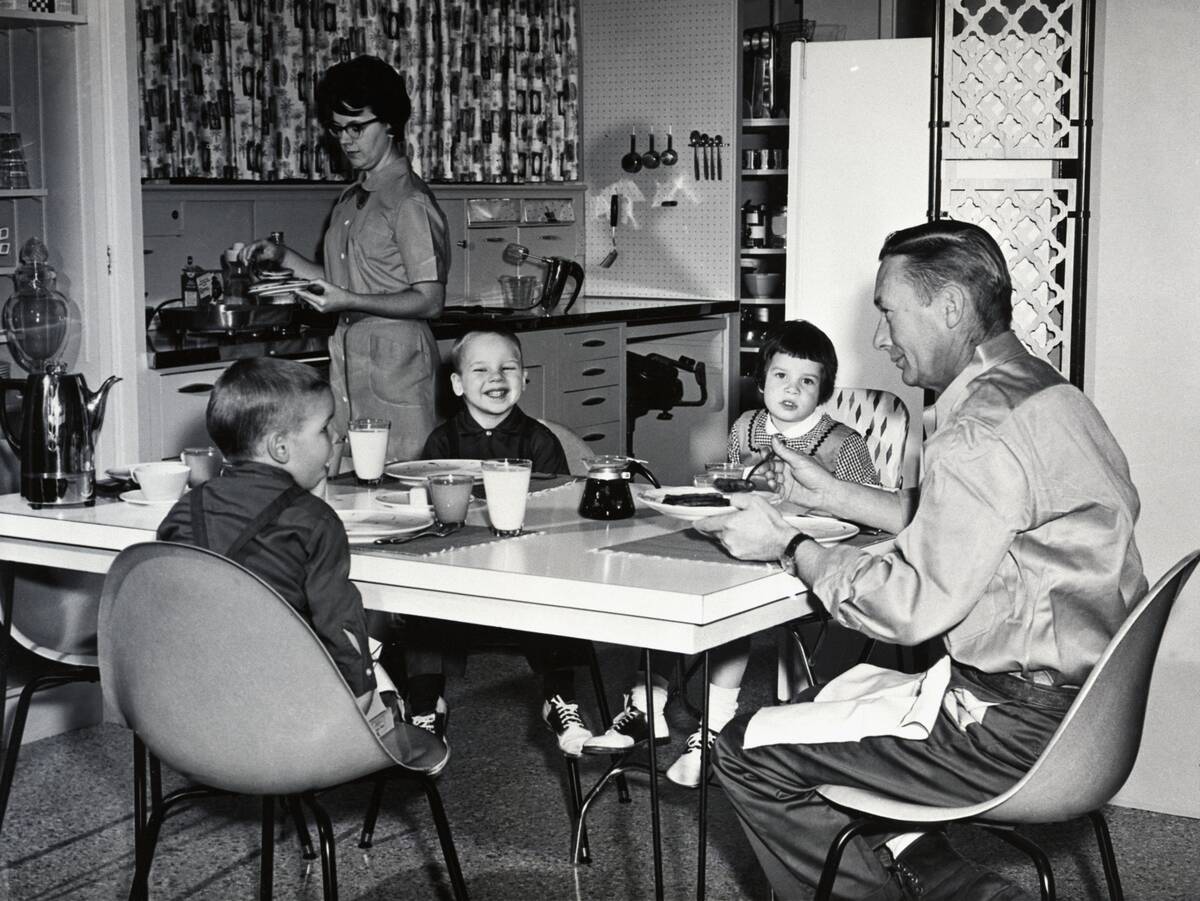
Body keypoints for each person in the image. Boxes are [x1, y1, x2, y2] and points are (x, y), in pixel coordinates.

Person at [694, 220, 1146, 900]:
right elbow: (980, 523)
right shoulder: (1048, 395)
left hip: (1007, 731)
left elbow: (903, 608)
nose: (880, 337)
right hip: (1088, 716)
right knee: (845, 691)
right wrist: (842, 494)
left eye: (888, 312)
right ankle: (955, 887)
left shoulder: (975, 431)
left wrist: (790, 544)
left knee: (741, 750)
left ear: (951, 309)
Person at [584, 320, 881, 790]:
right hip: (743, 545)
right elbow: (730, 490)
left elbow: (872, 519)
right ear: (761, 381)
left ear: (823, 393)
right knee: (676, 586)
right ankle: (645, 703)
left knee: (727, 605)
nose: (792, 389)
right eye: (781, 376)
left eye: (807, 381)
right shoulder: (747, 426)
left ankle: (712, 729)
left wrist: (823, 496)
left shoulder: (842, 443)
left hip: (807, 558)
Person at [156, 358, 445, 764]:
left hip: (183, 711)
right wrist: (363, 695)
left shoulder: (183, 510)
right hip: (282, 715)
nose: (335, 437)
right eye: (324, 428)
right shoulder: (314, 520)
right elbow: (339, 623)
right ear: (281, 447)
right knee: (376, 667)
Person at [379, 328, 595, 755]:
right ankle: (426, 704)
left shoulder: (540, 441)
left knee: (557, 606)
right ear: (458, 384)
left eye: (507, 368)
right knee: (423, 607)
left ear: (524, 379)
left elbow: (558, 511)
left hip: (524, 575)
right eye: (480, 369)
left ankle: (560, 699)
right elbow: (431, 510)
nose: (496, 377)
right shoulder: (441, 443)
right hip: (460, 577)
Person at [237, 55, 448, 464]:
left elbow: (430, 300)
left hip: (399, 371)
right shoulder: (351, 199)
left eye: (356, 127)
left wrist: (348, 302)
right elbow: (339, 283)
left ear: (389, 123)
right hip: (348, 365)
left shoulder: (409, 201)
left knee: (404, 489)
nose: (346, 140)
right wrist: (283, 257)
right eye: (337, 129)